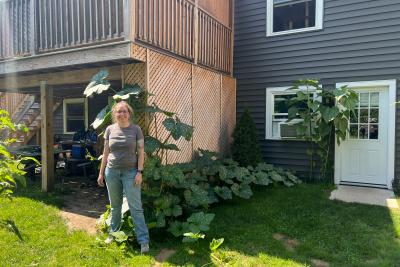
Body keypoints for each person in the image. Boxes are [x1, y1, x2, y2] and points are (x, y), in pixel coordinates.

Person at [97, 101, 150, 253]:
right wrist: (101, 173)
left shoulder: (136, 130)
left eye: (124, 111)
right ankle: (114, 234)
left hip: (131, 173)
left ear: (129, 114)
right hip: (111, 172)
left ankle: (143, 241)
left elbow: (141, 152)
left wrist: (139, 172)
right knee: (115, 207)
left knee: (136, 207)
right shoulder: (109, 130)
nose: (122, 114)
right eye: (119, 111)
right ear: (115, 114)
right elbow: (106, 153)